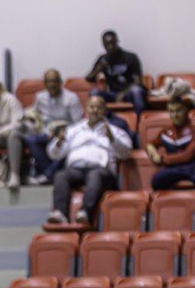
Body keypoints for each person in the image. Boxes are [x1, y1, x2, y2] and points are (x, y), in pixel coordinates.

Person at [45, 96, 132, 226]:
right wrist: (58, 143)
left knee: (94, 175)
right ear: (86, 109)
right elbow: (53, 154)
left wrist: (112, 139)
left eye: (99, 107)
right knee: (61, 175)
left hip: (102, 170)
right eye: (92, 107)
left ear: (104, 110)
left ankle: (85, 212)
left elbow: (126, 153)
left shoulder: (114, 130)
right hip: (76, 169)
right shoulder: (74, 130)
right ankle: (60, 213)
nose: (95, 110)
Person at [26, 69, 83, 185]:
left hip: (66, 133)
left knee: (66, 147)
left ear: (60, 82)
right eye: (48, 82)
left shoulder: (71, 98)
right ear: (45, 83)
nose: (51, 85)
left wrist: (60, 131)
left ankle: (47, 175)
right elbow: (33, 113)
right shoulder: (40, 97)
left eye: (54, 81)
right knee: (31, 140)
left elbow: (78, 123)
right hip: (46, 132)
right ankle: (50, 174)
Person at [148, 100, 195, 192]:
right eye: (171, 111)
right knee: (157, 180)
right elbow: (151, 144)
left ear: (187, 111)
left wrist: (162, 159)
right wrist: (153, 152)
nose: (175, 115)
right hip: (174, 168)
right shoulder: (166, 131)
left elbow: (187, 156)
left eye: (178, 111)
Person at [86, 30, 145, 118]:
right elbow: (89, 78)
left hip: (129, 92)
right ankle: (103, 120)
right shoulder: (103, 59)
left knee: (137, 90)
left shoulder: (130, 57)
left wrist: (123, 93)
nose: (110, 47)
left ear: (117, 42)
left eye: (113, 43)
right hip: (113, 94)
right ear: (103, 45)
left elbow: (138, 82)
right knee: (94, 92)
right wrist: (98, 69)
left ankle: (139, 121)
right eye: (107, 44)